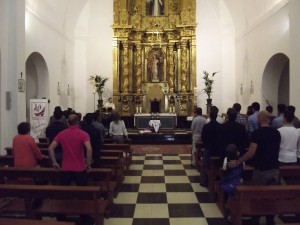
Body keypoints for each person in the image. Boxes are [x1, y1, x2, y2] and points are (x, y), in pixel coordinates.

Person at [228, 111, 281, 225]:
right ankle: (270, 219)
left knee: (258, 195)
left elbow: (251, 153)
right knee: (271, 196)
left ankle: (256, 218)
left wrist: (238, 162)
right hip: (274, 168)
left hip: (261, 169)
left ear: (260, 119)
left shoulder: (257, 133)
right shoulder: (276, 133)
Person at [48, 113, 93, 225]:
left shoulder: (62, 134)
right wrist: (88, 163)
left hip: (66, 168)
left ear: (67, 122)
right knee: (83, 195)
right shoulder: (83, 134)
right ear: (78, 122)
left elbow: (50, 148)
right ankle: (85, 219)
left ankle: (62, 217)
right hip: (80, 168)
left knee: (64, 194)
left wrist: (54, 162)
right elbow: (89, 149)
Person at [201, 108, 221, 186]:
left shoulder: (206, 126)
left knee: (206, 165)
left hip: (208, 148)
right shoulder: (220, 126)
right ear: (216, 117)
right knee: (216, 165)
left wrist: (206, 144)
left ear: (210, 117)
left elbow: (203, 137)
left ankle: (206, 182)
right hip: (217, 148)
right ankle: (216, 179)